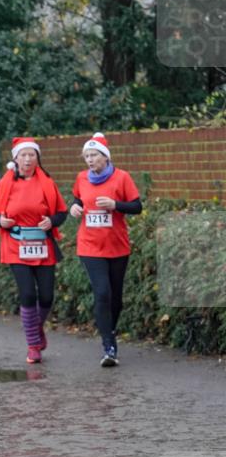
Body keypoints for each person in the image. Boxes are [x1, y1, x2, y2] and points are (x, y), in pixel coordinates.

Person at [0, 137, 68, 364]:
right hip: (16, 244)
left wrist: (52, 221)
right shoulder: (5, 183)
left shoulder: (47, 183)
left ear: (37, 158)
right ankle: (33, 345)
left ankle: (36, 328)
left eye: (32, 155)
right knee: (28, 294)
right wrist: (0, 221)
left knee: (47, 296)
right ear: (16, 159)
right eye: (24, 155)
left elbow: (61, 212)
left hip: (42, 245)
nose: (28, 159)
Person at [69, 133, 142, 367]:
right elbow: (77, 200)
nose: (90, 160)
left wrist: (115, 205)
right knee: (102, 293)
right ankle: (109, 346)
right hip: (90, 246)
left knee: (116, 299)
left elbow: (137, 206)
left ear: (106, 157)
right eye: (87, 156)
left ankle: (108, 329)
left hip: (117, 246)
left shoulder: (122, 178)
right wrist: (74, 208)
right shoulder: (82, 178)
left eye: (94, 155)